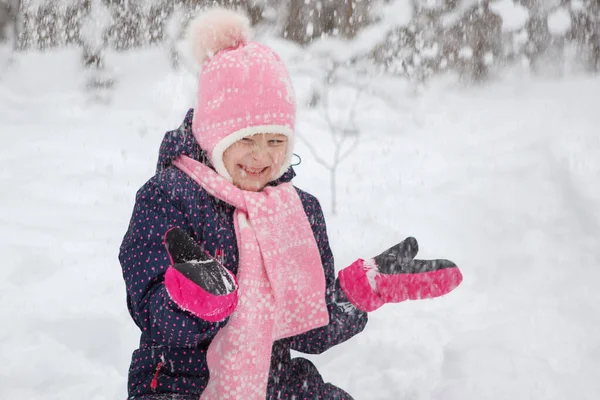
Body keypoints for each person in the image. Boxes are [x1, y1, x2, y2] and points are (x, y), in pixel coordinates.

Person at [118, 7, 462, 400]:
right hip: (179, 381)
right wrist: (195, 300)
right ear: (215, 135)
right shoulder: (169, 197)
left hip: (275, 379)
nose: (261, 157)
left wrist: (360, 292)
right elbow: (151, 315)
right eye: (246, 139)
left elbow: (310, 329)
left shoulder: (297, 211)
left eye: (276, 141)